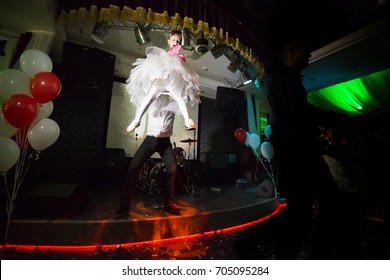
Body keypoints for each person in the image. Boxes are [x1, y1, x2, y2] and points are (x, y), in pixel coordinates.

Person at [266, 40, 351, 259]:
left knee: (302, 211)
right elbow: (299, 113)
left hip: (296, 151)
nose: (310, 54)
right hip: (298, 152)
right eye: (305, 50)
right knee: (310, 210)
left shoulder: (282, 79)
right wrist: (336, 118)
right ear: (290, 52)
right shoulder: (283, 78)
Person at [115, 29, 201, 218]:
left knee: (173, 170)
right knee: (133, 168)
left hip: (165, 141)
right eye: (174, 40)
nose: (176, 42)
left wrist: (187, 119)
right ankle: (124, 205)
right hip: (150, 140)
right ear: (169, 40)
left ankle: (169, 204)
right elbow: (146, 101)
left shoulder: (174, 90)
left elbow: (180, 99)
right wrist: (136, 120)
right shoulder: (156, 87)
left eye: (179, 41)